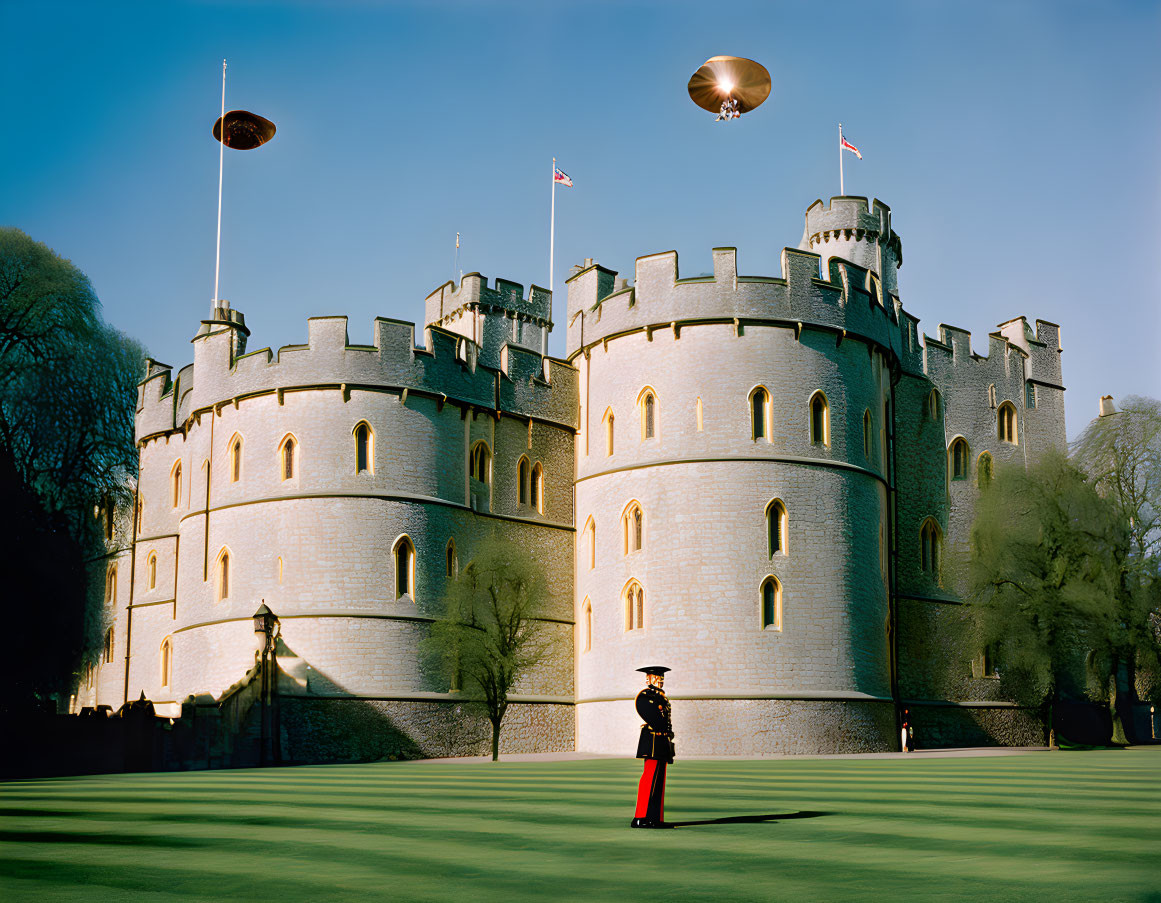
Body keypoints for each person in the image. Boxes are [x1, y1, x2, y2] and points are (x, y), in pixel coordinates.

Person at [631, 666, 674, 828]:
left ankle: (655, 818)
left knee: (659, 781)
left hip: (662, 741)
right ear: (649, 679)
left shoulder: (662, 697)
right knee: (649, 778)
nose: (661, 680)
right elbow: (653, 718)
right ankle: (641, 817)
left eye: (661, 677)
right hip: (652, 740)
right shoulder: (645, 696)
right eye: (657, 677)